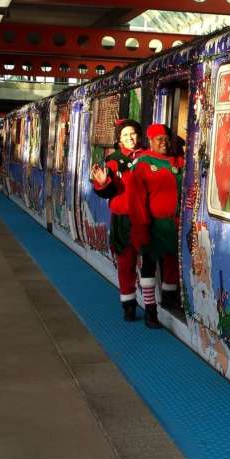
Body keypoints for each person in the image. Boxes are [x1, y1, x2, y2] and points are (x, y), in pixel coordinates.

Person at [127, 123, 183, 329]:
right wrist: (141, 227)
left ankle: (169, 298)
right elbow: (136, 199)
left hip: (173, 223)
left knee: (172, 263)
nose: (164, 143)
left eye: (167, 139)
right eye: (160, 139)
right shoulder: (142, 163)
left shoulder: (177, 162)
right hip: (152, 224)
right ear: (150, 141)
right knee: (149, 266)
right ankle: (150, 309)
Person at [90, 119, 145, 322]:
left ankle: (151, 307)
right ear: (119, 139)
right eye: (125, 135)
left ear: (139, 135)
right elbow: (106, 193)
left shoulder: (149, 158)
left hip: (147, 218)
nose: (130, 138)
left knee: (148, 262)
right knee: (126, 263)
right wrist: (103, 183)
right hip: (123, 219)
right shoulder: (112, 160)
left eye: (133, 134)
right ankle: (129, 304)